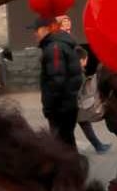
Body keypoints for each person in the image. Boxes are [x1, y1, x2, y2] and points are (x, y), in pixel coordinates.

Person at [30, 16, 82, 149]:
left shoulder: (54, 48)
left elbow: (57, 80)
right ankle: (74, 167)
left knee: (62, 144)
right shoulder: (59, 44)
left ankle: (71, 168)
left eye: (36, 30)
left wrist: (49, 108)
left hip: (61, 108)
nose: (34, 34)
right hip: (68, 104)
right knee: (67, 142)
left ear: (45, 29)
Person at [75, 46, 111, 153]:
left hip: (73, 106)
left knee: (85, 123)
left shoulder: (74, 70)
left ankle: (98, 146)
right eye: (86, 59)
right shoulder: (78, 73)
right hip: (74, 105)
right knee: (63, 131)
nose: (86, 62)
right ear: (81, 60)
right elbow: (80, 91)